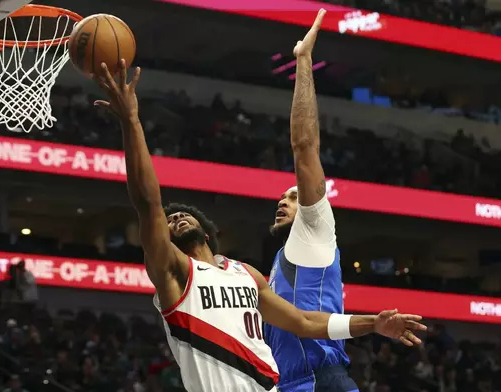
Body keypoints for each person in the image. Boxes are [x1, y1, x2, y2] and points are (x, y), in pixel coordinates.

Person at [92, 58, 426, 392]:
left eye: (182, 215)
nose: (175, 218)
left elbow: (303, 321)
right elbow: (148, 203)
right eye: (169, 221)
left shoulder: (246, 274)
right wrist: (131, 122)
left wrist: (374, 324)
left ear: (206, 233)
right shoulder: (174, 272)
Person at [264, 9, 412, 392]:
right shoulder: (278, 266)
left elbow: (304, 146)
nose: (284, 201)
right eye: (281, 197)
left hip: (322, 381)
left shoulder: (314, 229)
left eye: (294, 196)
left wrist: (303, 61)